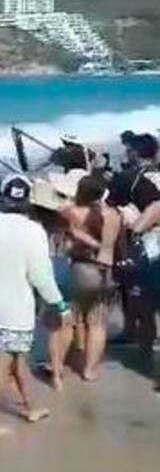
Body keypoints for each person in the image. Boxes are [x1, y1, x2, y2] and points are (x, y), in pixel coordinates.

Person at [0, 176, 67, 438]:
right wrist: (58, 303)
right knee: (3, 363)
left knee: (18, 358)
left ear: (2, 197)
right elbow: (40, 276)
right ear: (28, 200)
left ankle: (31, 407)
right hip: (15, 309)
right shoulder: (33, 230)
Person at [58, 174, 121, 384]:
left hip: (81, 269)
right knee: (98, 322)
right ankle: (90, 370)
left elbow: (61, 236)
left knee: (74, 318)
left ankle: (62, 363)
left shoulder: (72, 212)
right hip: (106, 271)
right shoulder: (114, 214)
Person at [107, 132, 160, 353]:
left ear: (135, 153)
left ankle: (139, 341)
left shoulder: (128, 177)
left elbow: (110, 205)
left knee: (138, 293)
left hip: (145, 240)